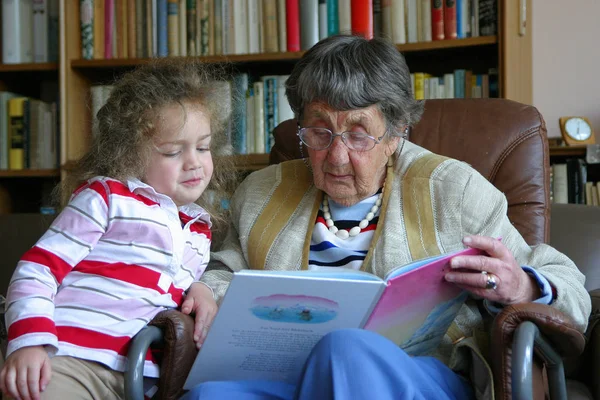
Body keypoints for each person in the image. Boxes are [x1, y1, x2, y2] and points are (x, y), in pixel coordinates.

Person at [185, 35, 592, 400]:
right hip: (288, 374)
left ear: (397, 132)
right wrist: (207, 289)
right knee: (209, 394)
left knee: (345, 350)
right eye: (320, 132)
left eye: (359, 134)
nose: (337, 155)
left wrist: (519, 283)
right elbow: (226, 269)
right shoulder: (260, 192)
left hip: (416, 375)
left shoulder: (453, 190)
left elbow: (567, 284)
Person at [0, 59, 236, 400]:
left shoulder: (198, 228)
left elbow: (168, 287)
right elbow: (37, 270)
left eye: (203, 147)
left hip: (143, 380)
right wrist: (30, 343)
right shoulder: (107, 198)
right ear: (128, 153)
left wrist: (199, 290)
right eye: (173, 151)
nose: (194, 162)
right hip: (70, 361)